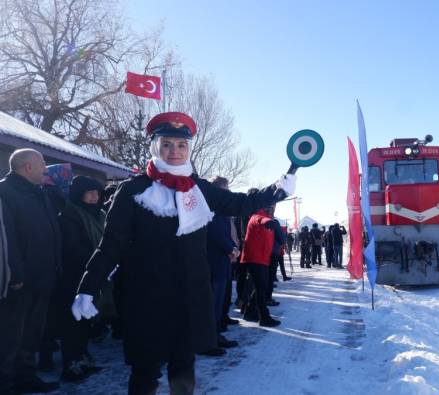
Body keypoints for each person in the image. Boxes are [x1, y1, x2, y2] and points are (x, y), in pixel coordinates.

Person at [70, 112, 295, 395]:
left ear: (188, 149)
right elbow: (111, 243)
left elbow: (241, 203)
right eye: (166, 144)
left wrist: (276, 190)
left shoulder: (199, 188)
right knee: (145, 371)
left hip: (189, 292)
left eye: (181, 145)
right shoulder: (133, 190)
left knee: (183, 368)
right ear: (155, 146)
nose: (174, 152)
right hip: (145, 295)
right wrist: (88, 288)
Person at [0, 149, 62, 394]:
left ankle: (27, 377)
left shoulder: (39, 192)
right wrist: (14, 274)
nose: (46, 168)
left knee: (32, 334)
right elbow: (6, 236)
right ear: (28, 167)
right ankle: (5, 384)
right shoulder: (5, 192)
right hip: (19, 282)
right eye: (43, 164)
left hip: (43, 276)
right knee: (10, 337)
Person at [56, 176, 106, 382]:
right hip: (74, 275)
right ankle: (71, 363)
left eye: (97, 192)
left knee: (86, 318)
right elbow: (73, 247)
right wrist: (97, 262)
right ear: (79, 194)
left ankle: (82, 356)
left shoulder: (100, 214)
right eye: (90, 192)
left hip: (93, 274)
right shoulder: (68, 215)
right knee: (73, 321)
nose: (95, 197)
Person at [202, 176, 239, 357]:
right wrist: (230, 248)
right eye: (226, 188)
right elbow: (215, 233)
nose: (228, 192)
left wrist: (232, 246)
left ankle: (215, 335)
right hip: (213, 263)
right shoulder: (211, 207)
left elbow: (225, 232)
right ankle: (209, 341)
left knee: (218, 302)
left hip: (221, 262)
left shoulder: (220, 208)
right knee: (212, 304)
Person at [240, 206, 280, 326]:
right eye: (271, 206)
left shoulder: (268, 218)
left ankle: (250, 312)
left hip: (261, 258)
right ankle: (264, 317)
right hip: (255, 258)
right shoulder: (257, 215)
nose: (273, 208)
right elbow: (259, 219)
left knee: (260, 287)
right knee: (261, 288)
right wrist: (268, 222)